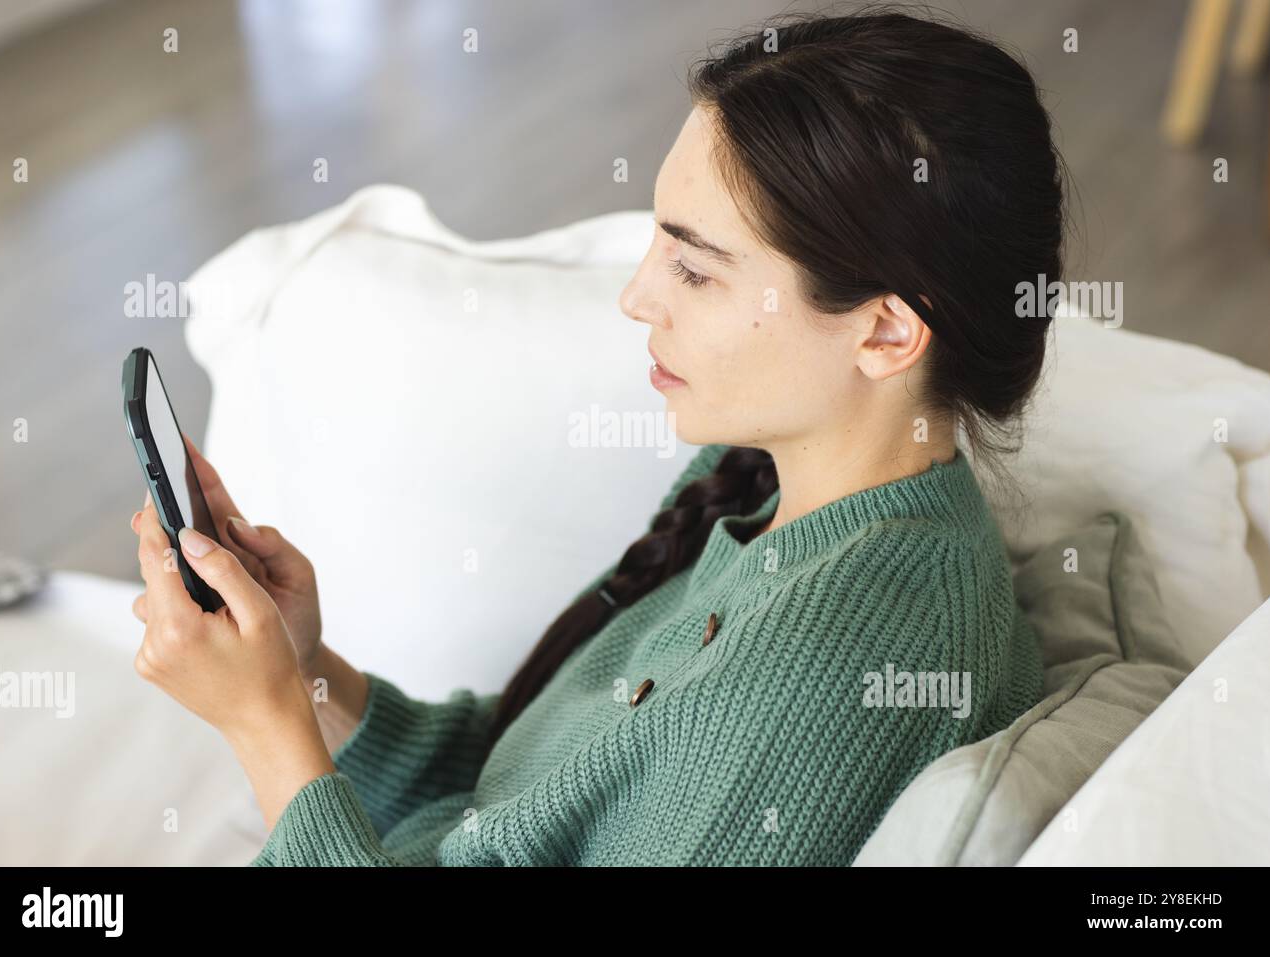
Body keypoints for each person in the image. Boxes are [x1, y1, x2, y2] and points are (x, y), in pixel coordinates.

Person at [129, 8, 1066, 866]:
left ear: (887, 332)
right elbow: (510, 797)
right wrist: (305, 672)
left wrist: (264, 728)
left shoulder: (842, 664)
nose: (636, 297)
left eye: (695, 270)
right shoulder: (759, 482)